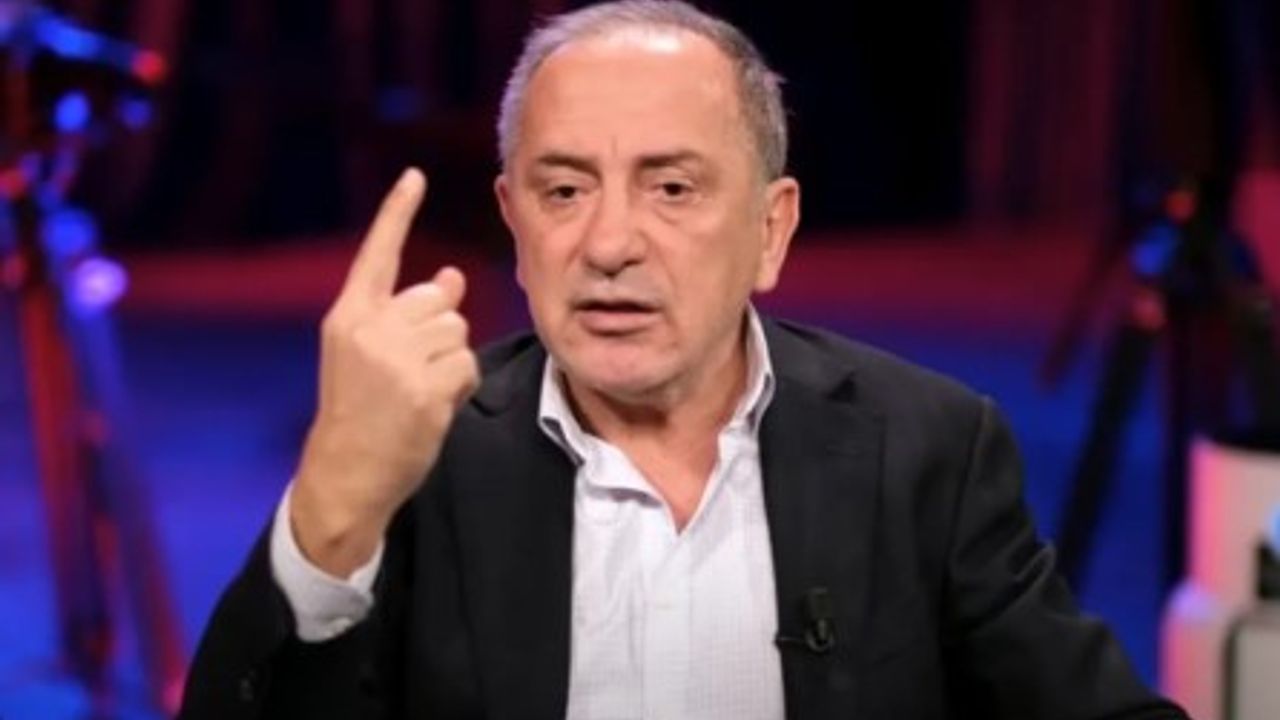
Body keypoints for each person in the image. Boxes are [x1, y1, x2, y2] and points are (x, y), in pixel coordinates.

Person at [179, 2, 1188, 718]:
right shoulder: (423, 458)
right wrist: (330, 516)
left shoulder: (925, 448)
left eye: (670, 189)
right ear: (512, 225)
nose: (609, 243)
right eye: (564, 191)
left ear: (769, 230)